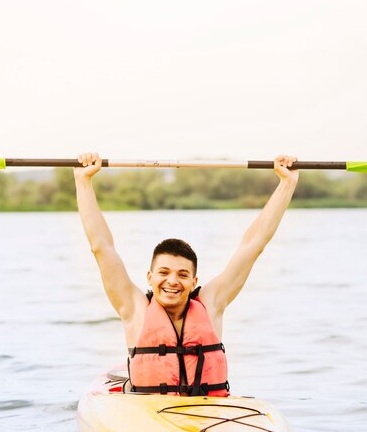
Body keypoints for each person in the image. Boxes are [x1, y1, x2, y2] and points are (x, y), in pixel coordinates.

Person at [74, 153, 299, 397]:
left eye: (182, 274)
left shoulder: (211, 304)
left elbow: (253, 244)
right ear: (149, 277)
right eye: (164, 272)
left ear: (194, 281)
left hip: (207, 410)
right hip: (150, 414)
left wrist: (287, 184)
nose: (172, 281)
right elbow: (101, 247)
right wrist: (83, 181)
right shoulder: (134, 309)